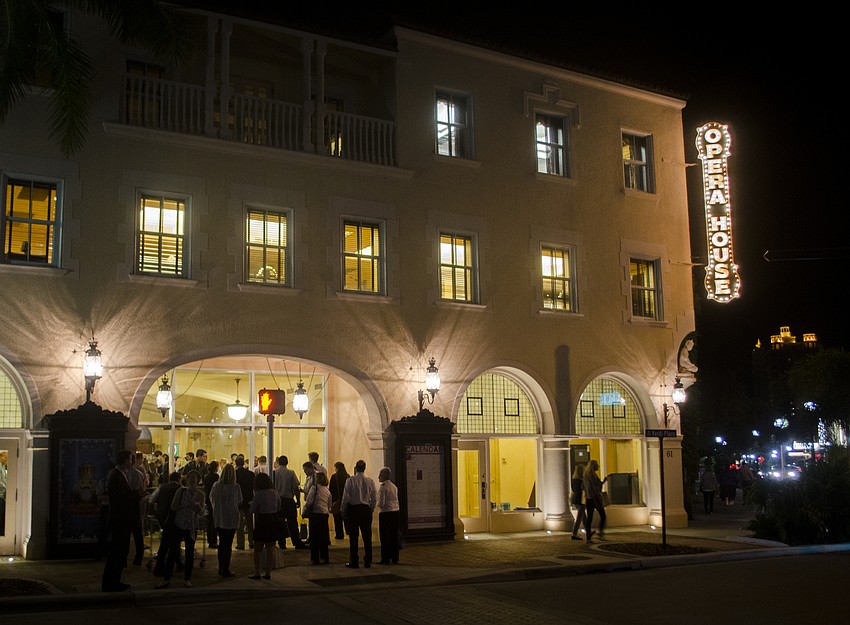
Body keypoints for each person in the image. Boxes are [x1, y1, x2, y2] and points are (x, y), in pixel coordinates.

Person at [156, 469, 204, 589]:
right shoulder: (181, 491)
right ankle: (166, 578)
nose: (192, 480)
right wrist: (186, 505)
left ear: (198, 481)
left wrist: (197, 507)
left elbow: (202, 512)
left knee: (189, 553)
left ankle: (187, 579)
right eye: (190, 478)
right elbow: (173, 507)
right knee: (173, 551)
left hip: (191, 526)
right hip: (178, 524)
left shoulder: (200, 494)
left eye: (194, 478)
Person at [101, 450, 136, 592]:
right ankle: (111, 582)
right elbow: (120, 498)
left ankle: (115, 580)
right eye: (130, 459)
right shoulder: (116, 476)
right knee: (116, 551)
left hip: (121, 519)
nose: (131, 462)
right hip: (120, 519)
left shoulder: (119, 475)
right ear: (125, 460)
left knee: (119, 551)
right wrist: (135, 495)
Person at [341, 459, 376, 568]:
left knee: (354, 537)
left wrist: (343, 510)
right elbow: (374, 497)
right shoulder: (370, 481)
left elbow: (345, 497)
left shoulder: (350, 480)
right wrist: (371, 509)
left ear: (356, 468)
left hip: (353, 510)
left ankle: (354, 561)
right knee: (367, 536)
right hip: (365, 509)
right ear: (364, 468)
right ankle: (368, 560)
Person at [209, 463, 242, 578]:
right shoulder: (235, 487)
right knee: (228, 545)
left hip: (219, 517)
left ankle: (220, 567)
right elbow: (239, 501)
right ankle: (226, 568)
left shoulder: (216, 486)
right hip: (231, 518)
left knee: (222, 544)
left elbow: (211, 498)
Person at [149, 471, 184, 576]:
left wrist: (156, 515)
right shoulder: (180, 489)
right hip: (176, 518)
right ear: (179, 479)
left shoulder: (162, 488)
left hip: (163, 518)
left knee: (165, 542)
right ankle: (173, 564)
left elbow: (151, 501)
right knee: (175, 542)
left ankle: (161, 566)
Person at [249, 471, 280, 580]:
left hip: (262, 520)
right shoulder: (274, 492)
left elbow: (252, 509)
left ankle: (257, 572)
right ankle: (268, 572)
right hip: (272, 520)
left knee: (258, 549)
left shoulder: (259, 494)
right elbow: (278, 505)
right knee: (270, 549)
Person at [273, 455, 307, 550]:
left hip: (278, 500)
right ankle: (296, 541)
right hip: (288, 500)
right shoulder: (290, 473)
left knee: (280, 522)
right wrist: (298, 500)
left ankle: (281, 543)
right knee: (292, 522)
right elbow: (296, 487)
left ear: (279, 462)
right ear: (287, 462)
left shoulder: (274, 473)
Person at [303, 472, 332, 565]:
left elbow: (309, 501)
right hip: (324, 514)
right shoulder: (327, 490)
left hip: (315, 514)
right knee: (323, 537)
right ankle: (325, 557)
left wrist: (304, 511)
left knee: (314, 537)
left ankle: (315, 558)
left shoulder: (314, 488)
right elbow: (329, 504)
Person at [376, 467, 400, 565]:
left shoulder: (383, 487)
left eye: (380, 475)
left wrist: (376, 503)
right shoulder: (394, 486)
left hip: (385, 513)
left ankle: (385, 558)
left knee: (384, 536)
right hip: (395, 512)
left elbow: (381, 503)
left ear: (385, 475)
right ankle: (395, 557)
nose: (378, 477)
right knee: (394, 536)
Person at [129, 451, 148, 566]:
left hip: (134, 506)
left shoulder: (134, 473)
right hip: (136, 505)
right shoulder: (137, 473)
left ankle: (138, 556)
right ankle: (138, 555)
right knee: (137, 532)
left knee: (135, 531)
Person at [583, 460, 607, 543]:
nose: (598, 467)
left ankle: (588, 537)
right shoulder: (593, 476)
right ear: (593, 466)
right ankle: (599, 533)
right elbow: (597, 486)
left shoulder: (586, 476)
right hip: (595, 498)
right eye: (597, 465)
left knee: (589, 518)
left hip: (589, 498)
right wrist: (603, 481)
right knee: (603, 515)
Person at [235, 455, 255, 550]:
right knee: (250, 524)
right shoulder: (250, 474)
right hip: (249, 500)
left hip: (239, 501)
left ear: (235, 463)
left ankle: (240, 543)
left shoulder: (234, 474)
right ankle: (252, 542)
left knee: (239, 524)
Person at [329, 461, 350, 540]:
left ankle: (339, 534)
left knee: (337, 519)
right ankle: (349, 531)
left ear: (337, 468)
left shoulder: (334, 477)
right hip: (346, 500)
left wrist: (332, 501)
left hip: (337, 500)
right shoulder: (347, 476)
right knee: (346, 518)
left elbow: (331, 489)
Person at [203, 460, 219, 549]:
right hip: (214, 500)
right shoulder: (215, 477)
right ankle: (213, 541)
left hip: (208, 499)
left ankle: (210, 540)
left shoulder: (206, 476)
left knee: (210, 521)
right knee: (213, 521)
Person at [569, 463, 586, 541]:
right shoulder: (581, 481)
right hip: (580, 500)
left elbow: (573, 490)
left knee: (583, 517)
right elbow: (583, 489)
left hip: (576, 500)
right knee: (579, 518)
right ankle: (574, 533)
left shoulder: (574, 480)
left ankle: (588, 531)